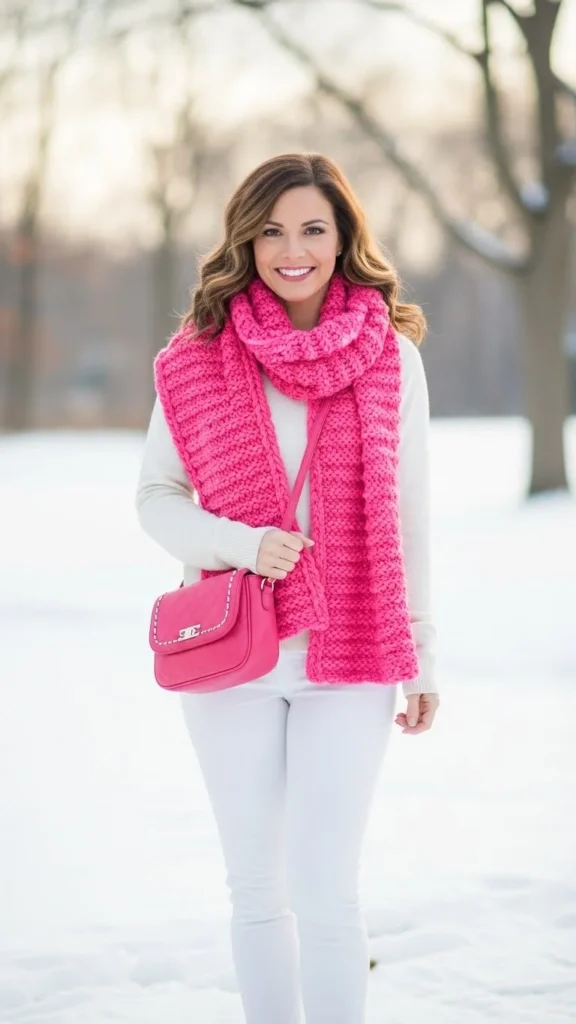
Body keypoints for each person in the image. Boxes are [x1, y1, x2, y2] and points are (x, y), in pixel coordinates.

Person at [135, 152, 440, 1024]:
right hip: (233, 648)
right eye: (270, 231)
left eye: (312, 228)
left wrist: (424, 655)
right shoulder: (195, 356)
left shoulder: (392, 358)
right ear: (245, 240)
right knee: (256, 885)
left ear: (344, 238)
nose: (291, 249)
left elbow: (411, 516)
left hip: (354, 648)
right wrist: (240, 543)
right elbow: (155, 497)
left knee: (325, 884)